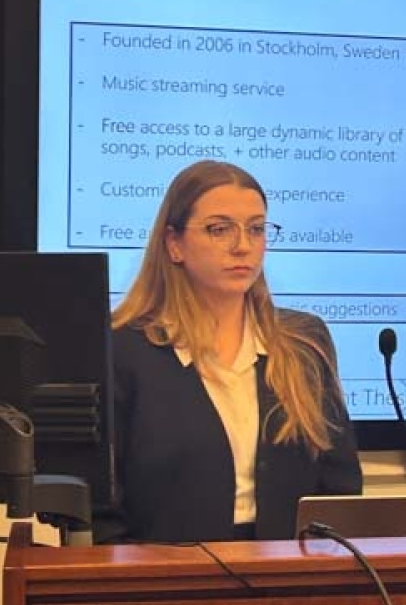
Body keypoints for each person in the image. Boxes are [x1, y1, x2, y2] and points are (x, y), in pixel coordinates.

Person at [99, 161, 360, 543]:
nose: (242, 246)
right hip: (164, 570)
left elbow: (339, 487)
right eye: (219, 229)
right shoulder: (122, 348)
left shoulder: (303, 340)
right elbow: (102, 511)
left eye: (256, 229)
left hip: (288, 567)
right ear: (174, 244)